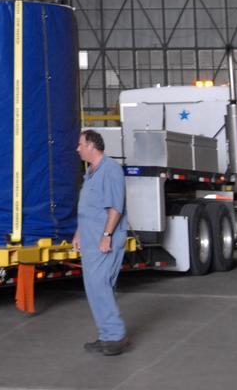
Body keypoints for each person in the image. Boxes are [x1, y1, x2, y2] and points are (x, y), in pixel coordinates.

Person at [72, 128, 130, 355]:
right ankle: (107, 334)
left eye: (80, 145)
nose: (77, 149)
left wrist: (106, 236)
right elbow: (88, 209)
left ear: (91, 147)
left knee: (100, 286)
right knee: (95, 288)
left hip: (103, 240)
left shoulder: (111, 170)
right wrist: (78, 233)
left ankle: (115, 336)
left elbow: (116, 207)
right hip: (89, 239)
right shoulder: (91, 173)